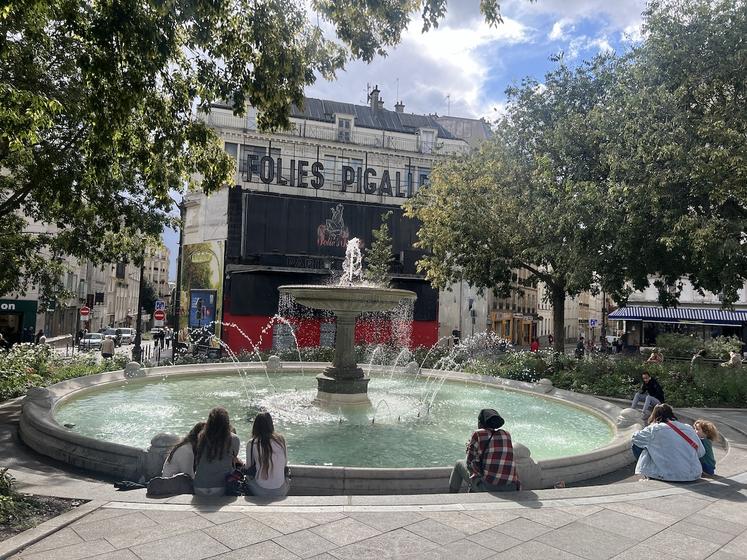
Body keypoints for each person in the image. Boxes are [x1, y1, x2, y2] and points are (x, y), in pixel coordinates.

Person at [449, 409, 520, 493]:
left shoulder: (478, 434)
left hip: (488, 488)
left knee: (459, 464)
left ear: (480, 422)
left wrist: (469, 449)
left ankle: (451, 496)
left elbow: (470, 463)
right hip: (510, 487)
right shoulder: (506, 434)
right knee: (479, 474)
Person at [631, 404, 704, 481]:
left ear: (654, 415)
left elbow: (635, 438)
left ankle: (648, 474)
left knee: (641, 444)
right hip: (694, 475)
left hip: (667, 475)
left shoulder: (654, 429)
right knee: (650, 443)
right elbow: (701, 452)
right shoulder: (688, 428)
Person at [193, 407, 241, 496]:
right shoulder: (234, 439)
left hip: (199, 487)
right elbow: (234, 457)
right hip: (220, 488)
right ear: (227, 422)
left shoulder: (201, 436)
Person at [245, 411, 290, 498]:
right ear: (271, 424)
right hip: (281, 490)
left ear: (255, 426)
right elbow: (285, 463)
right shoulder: (281, 440)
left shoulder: (252, 443)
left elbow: (248, 467)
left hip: (259, 491)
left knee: (247, 478)